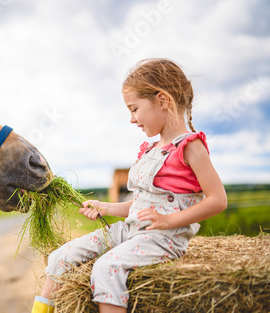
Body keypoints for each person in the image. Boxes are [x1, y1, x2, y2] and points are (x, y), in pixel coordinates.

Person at [31, 58, 227, 313]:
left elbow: (218, 200)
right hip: (131, 230)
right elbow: (143, 206)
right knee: (61, 256)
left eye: (134, 109)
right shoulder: (149, 150)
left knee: (105, 268)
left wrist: (168, 221)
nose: (132, 119)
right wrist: (106, 207)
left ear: (162, 101)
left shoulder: (191, 147)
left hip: (164, 239)